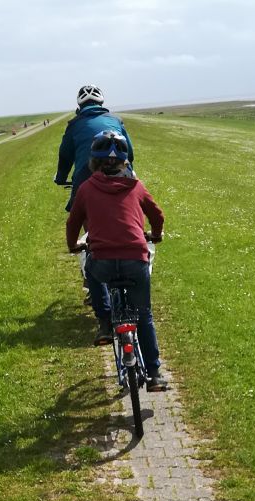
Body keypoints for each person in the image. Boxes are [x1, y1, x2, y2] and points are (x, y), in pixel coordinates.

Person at [66, 131, 168, 391]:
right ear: (125, 161)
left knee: (92, 271)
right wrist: (155, 235)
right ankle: (155, 374)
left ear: (94, 163)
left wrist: (73, 246)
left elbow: (73, 222)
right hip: (135, 258)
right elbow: (157, 214)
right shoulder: (136, 186)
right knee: (143, 314)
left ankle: (104, 322)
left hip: (103, 261)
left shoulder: (87, 188)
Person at [54, 85, 134, 211]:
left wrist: (61, 178)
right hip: (122, 171)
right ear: (101, 103)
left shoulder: (74, 125)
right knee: (133, 203)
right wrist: (130, 168)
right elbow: (129, 152)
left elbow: (65, 156)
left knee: (78, 212)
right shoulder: (116, 120)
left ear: (80, 106)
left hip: (86, 173)